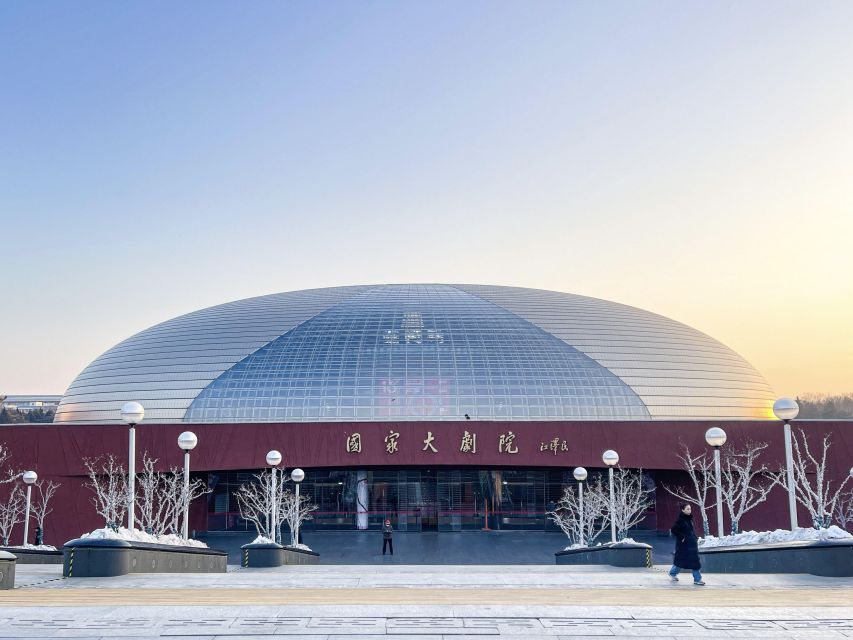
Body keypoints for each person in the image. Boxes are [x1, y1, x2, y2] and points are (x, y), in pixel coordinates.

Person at [669, 503, 705, 585]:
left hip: (692, 545)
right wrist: (682, 537)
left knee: (695, 562)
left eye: (690, 509)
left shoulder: (689, 519)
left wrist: (695, 538)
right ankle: (672, 573)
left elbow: (690, 531)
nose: (689, 510)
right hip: (684, 546)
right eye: (687, 509)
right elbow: (673, 530)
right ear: (683, 510)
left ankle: (697, 579)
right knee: (680, 561)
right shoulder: (680, 520)